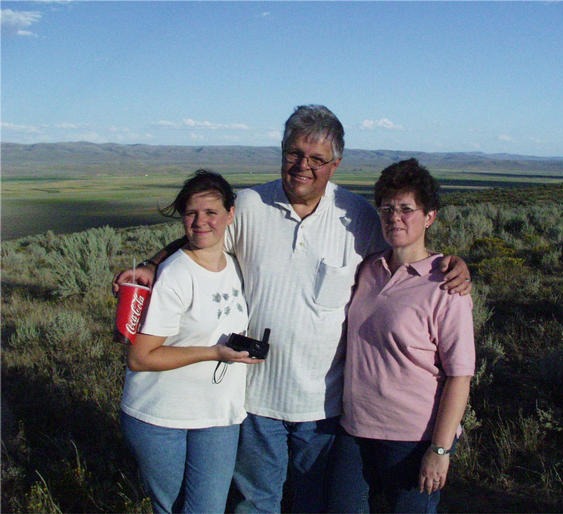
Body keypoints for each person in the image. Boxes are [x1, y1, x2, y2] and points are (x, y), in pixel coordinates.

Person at [114, 106, 472, 513]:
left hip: (324, 405)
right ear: (282, 153)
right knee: (255, 503)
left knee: (312, 503)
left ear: (334, 165)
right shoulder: (248, 205)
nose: (303, 166)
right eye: (293, 154)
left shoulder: (358, 217)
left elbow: (407, 252)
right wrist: (152, 263)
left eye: (317, 159)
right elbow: (202, 234)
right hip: (253, 399)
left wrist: (453, 264)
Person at [327, 159, 475, 514]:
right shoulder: (368, 269)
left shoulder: (446, 286)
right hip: (355, 428)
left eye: (407, 209)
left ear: (430, 217)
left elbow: (459, 375)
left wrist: (439, 451)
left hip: (413, 438)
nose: (395, 217)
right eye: (388, 208)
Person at [119, 170, 263, 514]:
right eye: (191, 213)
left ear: (230, 215)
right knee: (172, 508)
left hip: (217, 415)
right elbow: (140, 358)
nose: (201, 222)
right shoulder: (175, 274)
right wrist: (214, 353)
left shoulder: (235, 266)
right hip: (161, 416)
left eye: (211, 212)